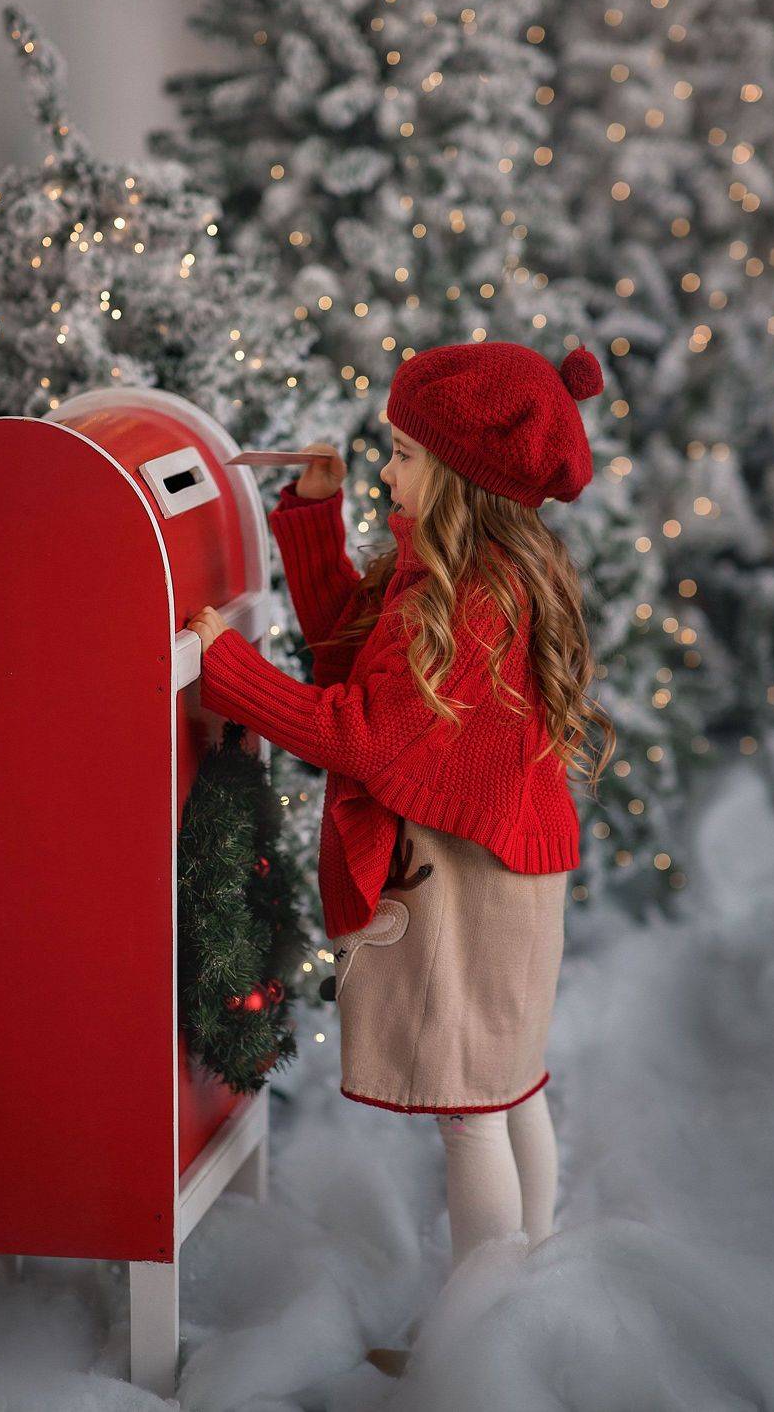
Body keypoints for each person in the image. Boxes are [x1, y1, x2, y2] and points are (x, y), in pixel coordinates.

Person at [188, 339, 615, 1376]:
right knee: (509, 1089)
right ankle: (522, 1304)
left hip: (468, 882)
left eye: (405, 455)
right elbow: (354, 648)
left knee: (472, 1112)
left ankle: (480, 1354)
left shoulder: (471, 598)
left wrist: (225, 667)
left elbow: (364, 733)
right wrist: (314, 515)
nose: (388, 471)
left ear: (463, 476)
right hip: (504, 869)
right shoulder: (461, 573)